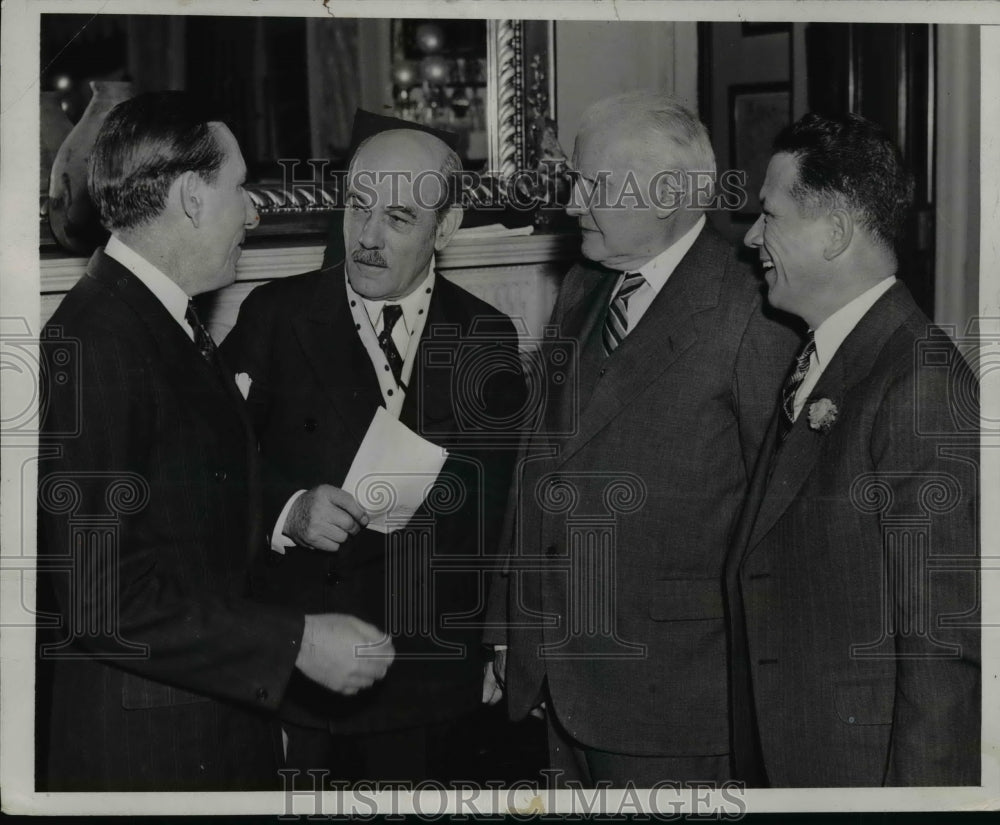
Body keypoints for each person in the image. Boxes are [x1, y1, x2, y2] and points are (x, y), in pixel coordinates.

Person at [36, 92, 394, 792]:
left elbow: (182, 495)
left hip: (201, 716)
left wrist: (287, 511)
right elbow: (102, 596)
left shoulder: (157, 317)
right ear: (192, 199)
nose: (253, 211)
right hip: (150, 748)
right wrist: (295, 643)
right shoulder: (96, 340)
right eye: (240, 189)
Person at [483, 91, 799, 786]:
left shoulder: (756, 309)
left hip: (679, 704)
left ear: (666, 195)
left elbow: (782, 535)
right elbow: (536, 462)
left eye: (590, 185)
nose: (571, 206)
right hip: (557, 681)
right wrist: (509, 625)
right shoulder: (584, 285)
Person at [220, 124, 526, 783]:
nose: (367, 236)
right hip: (301, 673)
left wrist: (498, 643)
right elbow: (206, 470)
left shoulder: (484, 336)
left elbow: (500, 513)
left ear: (446, 228)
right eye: (358, 205)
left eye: (398, 218)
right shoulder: (275, 316)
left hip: (425, 683)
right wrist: (289, 510)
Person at [724, 112, 980, 787]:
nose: (751, 239)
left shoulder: (919, 381)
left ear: (835, 230)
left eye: (769, 215)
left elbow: (943, 646)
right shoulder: (829, 352)